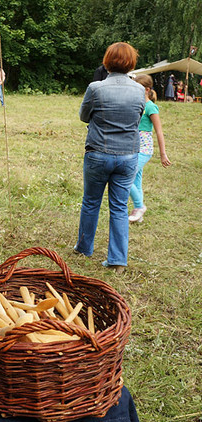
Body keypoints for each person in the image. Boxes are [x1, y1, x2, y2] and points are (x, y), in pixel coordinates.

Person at [75, 42, 146, 272]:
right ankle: (117, 260)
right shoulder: (139, 90)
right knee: (118, 207)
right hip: (128, 155)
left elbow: (84, 116)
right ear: (131, 62)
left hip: (98, 153)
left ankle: (84, 248)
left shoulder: (95, 88)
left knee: (91, 202)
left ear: (107, 61)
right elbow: (137, 118)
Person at [128, 74, 172, 223]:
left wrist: (163, 154)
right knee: (137, 181)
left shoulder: (151, 107)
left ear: (147, 90)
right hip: (133, 148)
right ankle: (139, 215)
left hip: (144, 150)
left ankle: (139, 206)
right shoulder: (136, 105)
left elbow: (159, 132)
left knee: (125, 178)